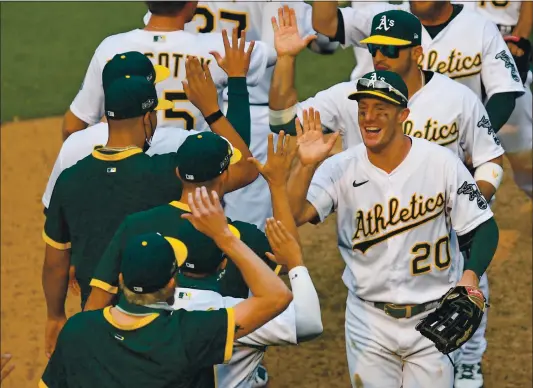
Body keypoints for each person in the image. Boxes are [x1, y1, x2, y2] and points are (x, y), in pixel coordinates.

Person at [286, 71, 499, 387]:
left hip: (434, 316)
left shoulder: (441, 163)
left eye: (380, 110)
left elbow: (484, 228)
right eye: (363, 110)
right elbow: (294, 214)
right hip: (368, 320)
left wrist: (470, 278)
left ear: (403, 114)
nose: (369, 118)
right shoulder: (339, 167)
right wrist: (305, 164)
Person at [41, 60, 257, 359]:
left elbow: (55, 263)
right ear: (147, 118)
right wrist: (212, 111)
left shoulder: (70, 179)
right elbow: (245, 168)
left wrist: (55, 316)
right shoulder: (167, 173)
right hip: (156, 327)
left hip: (100, 325)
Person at [40, 197, 293, 387]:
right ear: (172, 284)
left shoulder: (77, 330)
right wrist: (225, 238)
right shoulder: (188, 333)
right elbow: (277, 296)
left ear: (120, 278)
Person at [269, 7, 504, 202]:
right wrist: (286, 59)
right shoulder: (349, 96)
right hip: (375, 227)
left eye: (391, 49)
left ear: (417, 53)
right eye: (374, 48)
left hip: (440, 231)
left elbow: (490, 159)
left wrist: (470, 206)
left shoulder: (456, 97)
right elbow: (283, 120)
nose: (380, 56)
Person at [143, 1, 338, 231]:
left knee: (187, 208)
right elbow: (323, 42)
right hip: (250, 109)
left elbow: (157, 27)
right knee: (246, 226)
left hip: (199, 104)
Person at [43, 29, 258, 210]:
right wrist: (219, 101)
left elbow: (54, 223)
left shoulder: (72, 147)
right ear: (148, 114)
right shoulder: (172, 145)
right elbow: (244, 165)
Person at [62, 1, 276, 140]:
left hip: (130, 174)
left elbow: (72, 127)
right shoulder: (217, 50)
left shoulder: (111, 48)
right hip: (193, 179)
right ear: (191, 4)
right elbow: (273, 52)